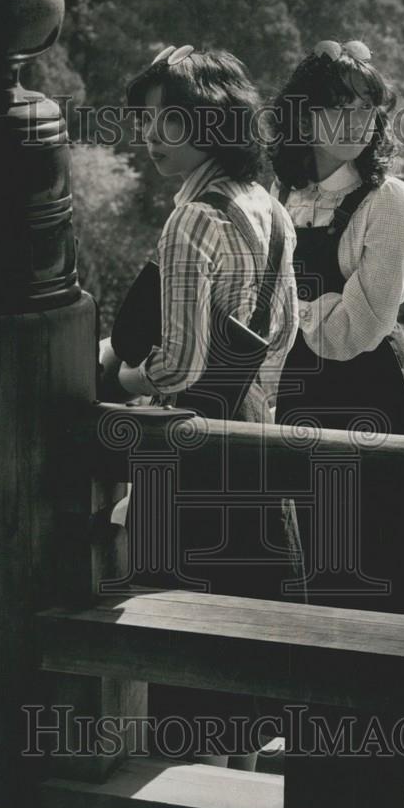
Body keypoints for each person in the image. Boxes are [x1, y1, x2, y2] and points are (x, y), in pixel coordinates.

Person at [99, 45, 306, 768]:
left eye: (166, 124)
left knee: (181, 650)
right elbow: (283, 333)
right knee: (244, 647)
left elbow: (176, 365)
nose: (150, 140)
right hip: (251, 442)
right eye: (144, 123)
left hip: (184, 457)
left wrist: (112, 376)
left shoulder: (191, 222)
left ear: (210, 122)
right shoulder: (270, 208)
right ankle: (240, 798)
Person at [269, 39, 404, 620]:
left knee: (389, 551)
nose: (355, 122)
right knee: (325, 558)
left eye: (366, 109)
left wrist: (292, 301)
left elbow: (360, 328)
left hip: (373, 395)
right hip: (304, 396)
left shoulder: (388, 201)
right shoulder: (287, 193)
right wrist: (313, 303)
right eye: (337, 106)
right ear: (303, 113)